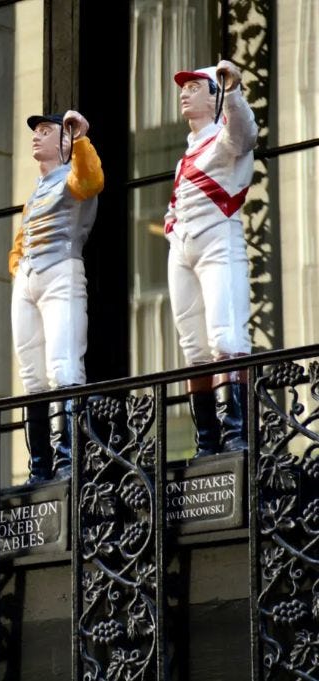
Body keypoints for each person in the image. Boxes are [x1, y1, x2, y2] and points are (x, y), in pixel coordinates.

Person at [165, 61, 257, 458]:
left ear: (214, 97)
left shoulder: (225, 137)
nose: (184, 94)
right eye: (183, 88)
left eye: (194, 87)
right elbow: (176, 204)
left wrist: (233, 92)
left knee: (226, 336)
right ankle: (207, 440)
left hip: (219, 240)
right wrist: (172, 228)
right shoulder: (186, 154)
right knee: (193, 346)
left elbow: (244, 133)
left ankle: (235, 434)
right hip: (183, 247)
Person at [8, 110, 104, 483]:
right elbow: (24, 235)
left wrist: (81, 139)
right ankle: (40, 466)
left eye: (46, 131)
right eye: (36, 131)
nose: (36, 136)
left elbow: (91, 179)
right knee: (31, 375)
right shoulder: (36, 189)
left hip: (61, 270)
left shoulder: (73, 175)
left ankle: (68, 461)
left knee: (63, 365)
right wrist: (17, 265)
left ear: (64, 142)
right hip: (29, 279)